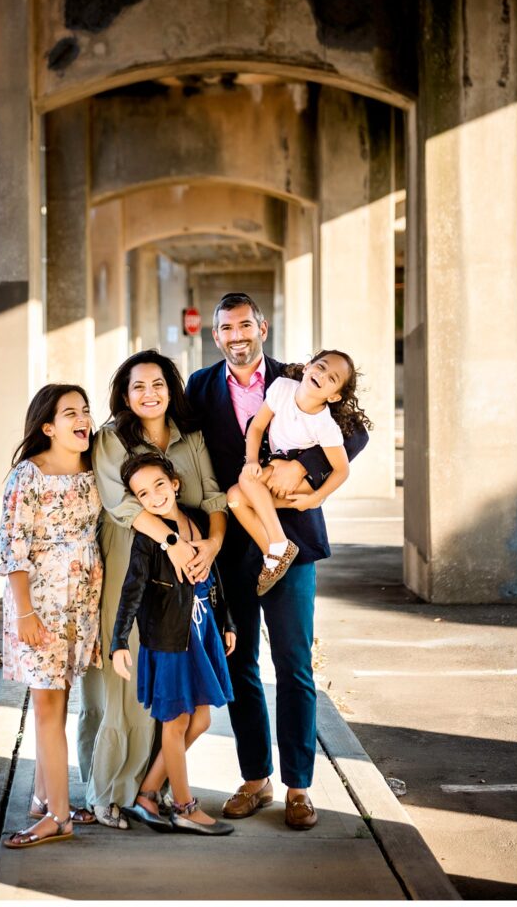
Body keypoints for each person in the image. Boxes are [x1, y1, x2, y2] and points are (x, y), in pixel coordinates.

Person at [185, 293, 369, 831]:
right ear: (215, 336)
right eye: (226, 328)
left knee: (293, 664)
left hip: (292, 538)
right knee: (240, 663)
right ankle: (255, 778)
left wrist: (302, 466)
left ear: (262, 327)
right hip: (232, 545)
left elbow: (353, 431)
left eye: (245, 324)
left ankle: (299, 787)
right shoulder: (199, 387)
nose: (236, 335)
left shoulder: (300, 376)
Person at [81, 350, 228, 828]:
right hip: (132, 562)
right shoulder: (110, 438)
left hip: (186, 570)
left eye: (158, 383)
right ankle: (108, 791)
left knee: (170, 689)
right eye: (138, 386)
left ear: (171, 388)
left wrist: (211, 544)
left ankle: (153, 789)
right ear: (124, 395)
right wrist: (171, 541)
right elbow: (118, 502)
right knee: (125, 684)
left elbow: (211, 497)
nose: (149, 393)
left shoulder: (192, 438)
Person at [0, 384, 103, 848]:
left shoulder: (93, 468)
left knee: (60, 703)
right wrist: (24, 612)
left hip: (80, 604)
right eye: (70, 413)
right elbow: (12, 546)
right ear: (48, 426)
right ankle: (59, 816)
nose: (82, 419)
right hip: (39, 604)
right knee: (47, 707)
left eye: (85, 410)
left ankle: (46, 798)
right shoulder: (28, 475)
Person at [110, 452, 236, 836]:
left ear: (175, 484)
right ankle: (184, 806)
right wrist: (119, 641)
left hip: (200, 633)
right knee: (177, 720)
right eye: (143, 493)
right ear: (139, 501)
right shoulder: (149, 539)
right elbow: (131, 590)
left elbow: (213, 578)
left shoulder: (196, 523)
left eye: (159, 485)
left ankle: (148, 793)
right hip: (167, 639)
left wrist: (227, 622)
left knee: (200, 719)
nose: (155, 496)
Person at [229, 349, 371, 595]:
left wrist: (317, 498)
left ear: (335, 396)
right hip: (275, 462)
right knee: (235, 497)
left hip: (304, 481)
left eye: (333, 378)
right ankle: (274, 552)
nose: (323, 375)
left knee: (245, 482)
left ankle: (278, 543)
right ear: (307, 366)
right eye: (322, 367)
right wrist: (252, 460)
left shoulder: (325, 426)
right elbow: (258, 427)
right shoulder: (282, 387)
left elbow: (341, 470)